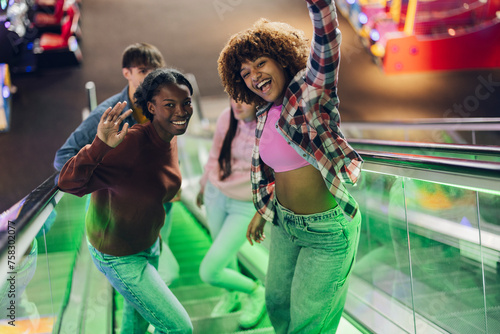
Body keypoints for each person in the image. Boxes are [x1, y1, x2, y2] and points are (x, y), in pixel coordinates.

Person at [217, 0, 364, 332]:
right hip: (284, 224)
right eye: (245, 73)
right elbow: (274, 172)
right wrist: (263, 212)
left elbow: (327, 43)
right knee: (277, 304)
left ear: (282, 59)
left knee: (307, 323)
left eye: (260, 63)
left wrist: (319, 6)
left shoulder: (309, 93)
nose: (254, 76)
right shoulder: (263, 113)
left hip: (326, 230)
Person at [58, 68, 194, 334]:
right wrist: (99, 145)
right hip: (119, 255)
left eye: (186, 102)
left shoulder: (169, 136)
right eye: (170, 105)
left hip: (149, 244)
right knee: (180, 328)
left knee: (137, 320)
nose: (181, 111)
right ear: (151, 108)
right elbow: (68, 182)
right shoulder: (130, 145)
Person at [53, 42, 180, 286]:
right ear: (127, 73)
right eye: (144, 71)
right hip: (123, 225)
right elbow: (63, 157)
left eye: (156, 71)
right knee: (164, 276)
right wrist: (107, 183)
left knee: (157, 271)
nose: (152, 77)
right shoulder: (111, 114)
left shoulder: (159, 107)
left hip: (159, 211)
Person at [196, 98, 266, 329]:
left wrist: (264, 211)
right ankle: (232, 296)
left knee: (210, 270)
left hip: (245, 204)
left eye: (244, 99)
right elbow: (215, 156)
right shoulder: (228, 117)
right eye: (233, 96)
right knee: (225, 256)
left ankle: (256, 291)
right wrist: (203, 185)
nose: (237, 104)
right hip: (216, 195)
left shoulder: (268, 123)